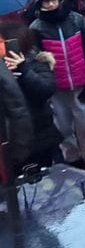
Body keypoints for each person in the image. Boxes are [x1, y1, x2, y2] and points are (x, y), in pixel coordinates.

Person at [29, 0, 85, 171]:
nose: (51, 4)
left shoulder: (77, 20)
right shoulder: (36, 28)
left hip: (81, 84)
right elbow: (35, 60)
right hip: (56, 90)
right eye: (46, 1)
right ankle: (73, 164)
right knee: (62, 131)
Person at [0, 20, 58, 173]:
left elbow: (46, 89)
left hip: (39, 134)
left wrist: (24, 71)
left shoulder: (36, 60)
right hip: (12, 138)